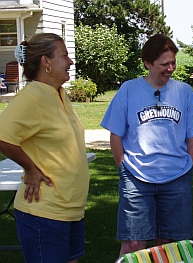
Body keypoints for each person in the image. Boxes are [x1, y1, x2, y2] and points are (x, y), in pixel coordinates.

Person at [100, 34, 193, 256]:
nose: (171, 68)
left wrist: (189, 168)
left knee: (170, 245)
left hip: (177, 178)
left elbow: (191, 136)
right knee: (133, 245)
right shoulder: (128, 89)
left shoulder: (184, 92)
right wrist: (123, 169)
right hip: (136, 178)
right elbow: (115, 134)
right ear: (148, 63)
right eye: (165, 64)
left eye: (173, 62)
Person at [0, 33, 90, 263]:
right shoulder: (32, 96)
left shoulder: (59, 93)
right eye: (64, 55)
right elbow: (3, 137)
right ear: (46, 62)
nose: (70, 62)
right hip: (44, 213)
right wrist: (30, 169)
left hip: (69, 210)